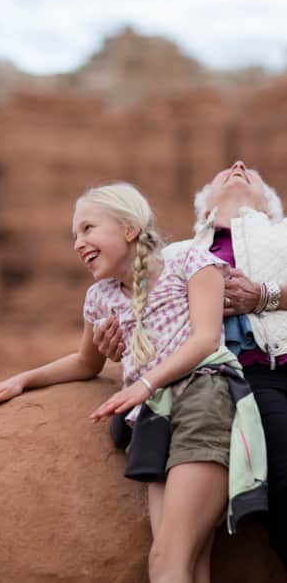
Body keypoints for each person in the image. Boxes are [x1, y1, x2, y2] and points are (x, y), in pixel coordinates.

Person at [0, 182, 265, 583]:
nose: (78, 243)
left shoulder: (192, 263)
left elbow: (205, 339)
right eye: (74, 235)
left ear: (129, 229)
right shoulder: (100, 297)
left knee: (166, 559)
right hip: (152, 422)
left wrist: (144, 385)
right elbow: (85, 363)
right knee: (189, 561)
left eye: (88, 228)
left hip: (202, 399)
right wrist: (22, 381)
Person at [96, 160, 287, 571]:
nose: (237, 166)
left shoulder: (283, 234)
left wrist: (266, 296)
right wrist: (116, 342)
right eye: (223, 173)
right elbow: (150, 322)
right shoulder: (181, 254)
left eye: (249, 172)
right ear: (203, 211)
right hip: (238, 375)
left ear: (273, 207)